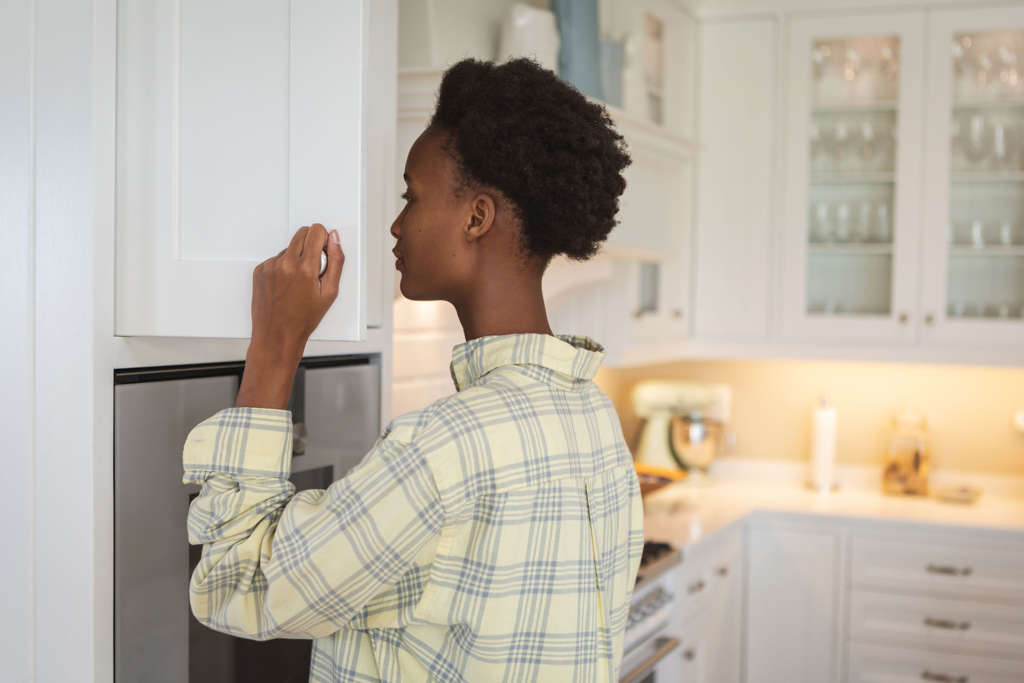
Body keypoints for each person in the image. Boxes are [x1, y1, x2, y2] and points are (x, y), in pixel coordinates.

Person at [182, 57, 642, 682]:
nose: (396, 225)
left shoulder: (446, 445)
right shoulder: (594, 419)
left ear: (477, 217)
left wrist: (274, 346)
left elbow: (238, 587)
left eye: (411, 196)